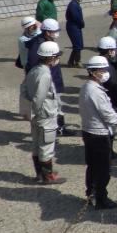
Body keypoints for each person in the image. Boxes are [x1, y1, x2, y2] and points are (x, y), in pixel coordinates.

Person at [79, 55, 117, 208]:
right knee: (103, 168)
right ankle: (100, 198)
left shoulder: (87, 87)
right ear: (93, 71)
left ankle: (91, 193)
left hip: (88, 130)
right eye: (102, 70)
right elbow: (107, 113)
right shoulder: (95, 91)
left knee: (92, 165)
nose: (104, 72)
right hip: (99, 133)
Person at [22, 41, 65, 183]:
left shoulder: (34, 70)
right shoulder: (45, 75)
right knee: (46, 145)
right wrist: (37, 112)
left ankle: (40, 173)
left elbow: (24, 89)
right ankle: (48, 177)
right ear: (50, 57)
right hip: (45, 114)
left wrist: (28, 112)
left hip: (36, 115)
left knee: (36, 145)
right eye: (56, 56)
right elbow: (39, 97)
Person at [26, 18, 67, 136]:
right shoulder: (38, 45)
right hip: (49, 81)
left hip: (54, 78)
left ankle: (59, 128)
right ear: (48, 32)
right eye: (55, 31)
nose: (57, 33)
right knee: (53, 106)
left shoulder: (46, 42)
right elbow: (34, 68)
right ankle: (57, 129)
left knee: (58, 104)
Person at [17, 17, 40, 120]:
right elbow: (33, 43)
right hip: (29, 67)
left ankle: (30, 112)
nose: (34, 27)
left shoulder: (36, 33)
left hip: (37, 65)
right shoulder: (22, 40)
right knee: (31, 91)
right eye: (32, 26)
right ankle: (28, 113)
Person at [65, 0, 86, 67]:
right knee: (77, 45)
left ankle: (71, 62)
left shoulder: (74, 4)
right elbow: (76, 17)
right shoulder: (73, 5)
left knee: (77, 45)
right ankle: (77, 61)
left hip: (75, 26)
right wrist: (82, 23)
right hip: (73, 27)